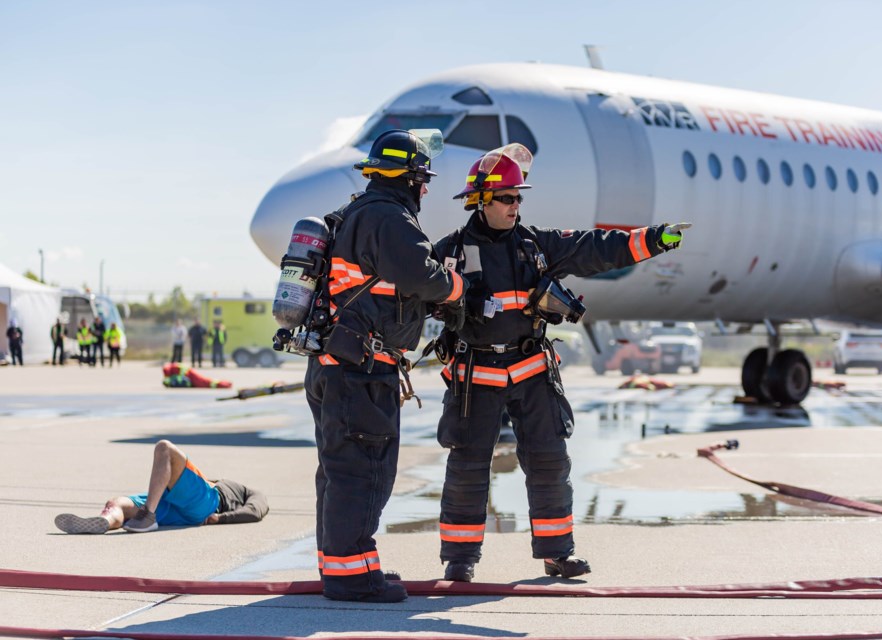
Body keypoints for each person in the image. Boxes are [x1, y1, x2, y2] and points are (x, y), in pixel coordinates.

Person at [433, 144, 685, 583]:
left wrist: (653, 239)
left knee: (550, 461)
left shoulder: (537, 246)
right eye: (507, 198)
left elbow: (596, 248)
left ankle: (557, 553)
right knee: (468, 465)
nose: (516, 205)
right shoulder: (448, 253)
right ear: (479, 200)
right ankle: (460, 560)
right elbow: (408, 296)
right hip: (476, 374)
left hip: (531, 370)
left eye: (519, 197)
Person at [303, 129, 464, 603]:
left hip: (335, 364)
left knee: (338, 471)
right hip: (360, 371)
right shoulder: (389, 217)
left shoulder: (355, 212)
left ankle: (344, 565)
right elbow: (423, 275)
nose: (426, 189)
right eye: (423, 179)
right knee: (364, 471)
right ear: (410, 178)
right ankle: (351, 577)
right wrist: (457, 288)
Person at [54, 440, 267, 534]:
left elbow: (256, 510)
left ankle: (147, 516)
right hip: (175, 506)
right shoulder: (202, 484)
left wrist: (220, 518)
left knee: (164, 448)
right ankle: (107, 520)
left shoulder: (247, 491)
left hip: (210, 504)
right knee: (118, 502)